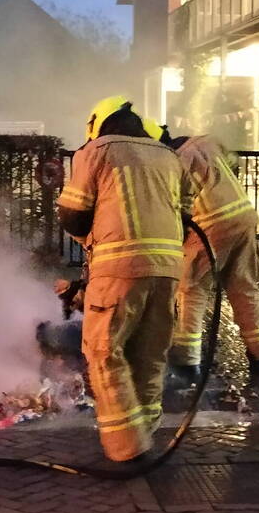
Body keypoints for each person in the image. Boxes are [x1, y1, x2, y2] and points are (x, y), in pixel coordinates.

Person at [56, 96, 196, 462]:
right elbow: (185, 215)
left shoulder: (95, 152)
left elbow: (72, 215)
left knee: (104, 351)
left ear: (98, 125)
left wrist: (92, 237)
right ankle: (145, 431)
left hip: (119, 269)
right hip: (167, 270)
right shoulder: (168, 156)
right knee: (149, 353)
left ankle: (127, 447)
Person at [154, 128, 259, 382]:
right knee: (245, 288)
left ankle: (188, 360)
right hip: (243, 217)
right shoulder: (208, 142)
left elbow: (177, 207)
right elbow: (233, 165)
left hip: (210, 226)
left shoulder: (174, 161)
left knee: (192, 289)